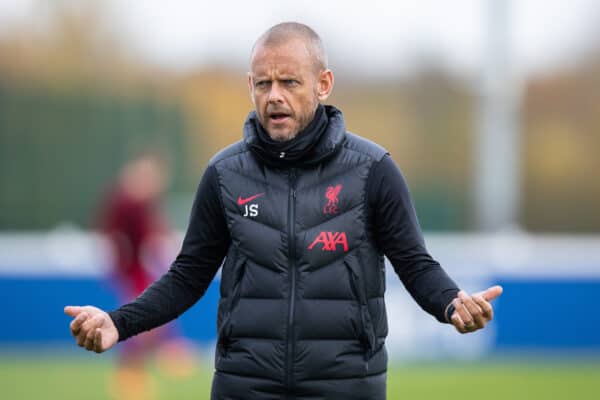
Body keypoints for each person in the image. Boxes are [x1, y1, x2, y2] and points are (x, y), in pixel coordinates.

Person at [65, 22, 503, 399]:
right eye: (262, 83)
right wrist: (118, 324)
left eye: (289, 82)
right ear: (250, 87)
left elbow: (414, 262)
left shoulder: (374, 171)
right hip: (244, 385)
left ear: (323, 84)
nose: (274, 96)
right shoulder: (223, 174)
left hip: (348, 385)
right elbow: (188, 275)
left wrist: (450, 303)